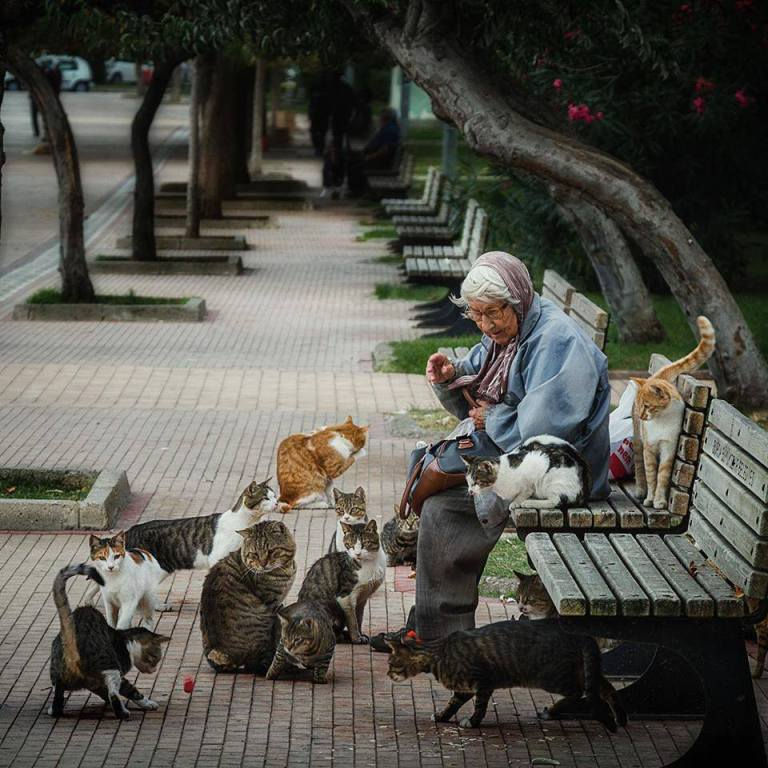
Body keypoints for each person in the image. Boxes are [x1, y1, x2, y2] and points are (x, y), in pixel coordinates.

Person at [371, 251, 611, 651]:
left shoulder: (557, 342)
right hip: (528, 463)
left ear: (515, 299)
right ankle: (440, 630)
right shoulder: (512, 328)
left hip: (564, 476)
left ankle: (443, 636)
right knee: (443, 496)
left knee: (444, 507)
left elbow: (545, 431)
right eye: (475, 315)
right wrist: (450, 375)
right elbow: (479, 372)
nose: (484, 324)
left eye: (491, 314)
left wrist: (491, 420)